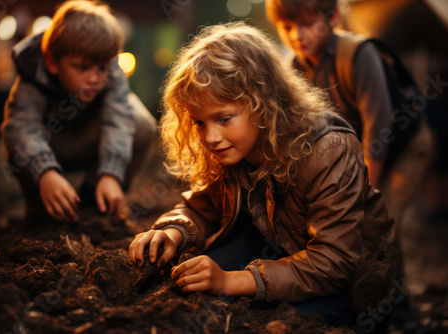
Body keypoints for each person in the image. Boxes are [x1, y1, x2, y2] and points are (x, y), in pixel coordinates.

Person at [129, 22, 402, 332]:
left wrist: (233, 280)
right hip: (280, 247)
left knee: (275, 322)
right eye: (199, 123)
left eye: (223, 118)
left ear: (263, 102)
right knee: (192, 285)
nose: (210, 137)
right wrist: (172, 231)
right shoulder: (233, 147)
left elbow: (334, 262)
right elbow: (203, 205)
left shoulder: (329, 150)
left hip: (352, 286)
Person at [264, 0, 433, 231]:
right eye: (287, 27)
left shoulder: (359, 54)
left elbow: (379, 128)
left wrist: (365, 194)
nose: (297, 36)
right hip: (360, 152)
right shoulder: (294, 68)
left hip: (402, 144)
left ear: (332, 17)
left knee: (382, 223)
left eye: (307, 24)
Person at [1, 0, 156, 223]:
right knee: (17, 135)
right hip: (47, 147)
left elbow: (119, 119)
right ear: (53, 62)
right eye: (82, 67)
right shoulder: (33, 72)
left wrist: (111, 173)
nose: (94, 78)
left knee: (140, 123)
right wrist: (45, 172)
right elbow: (21, 128)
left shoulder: (108, 64)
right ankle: (41, 207)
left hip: (89, 143)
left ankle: (96, 202)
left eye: (101, 68)